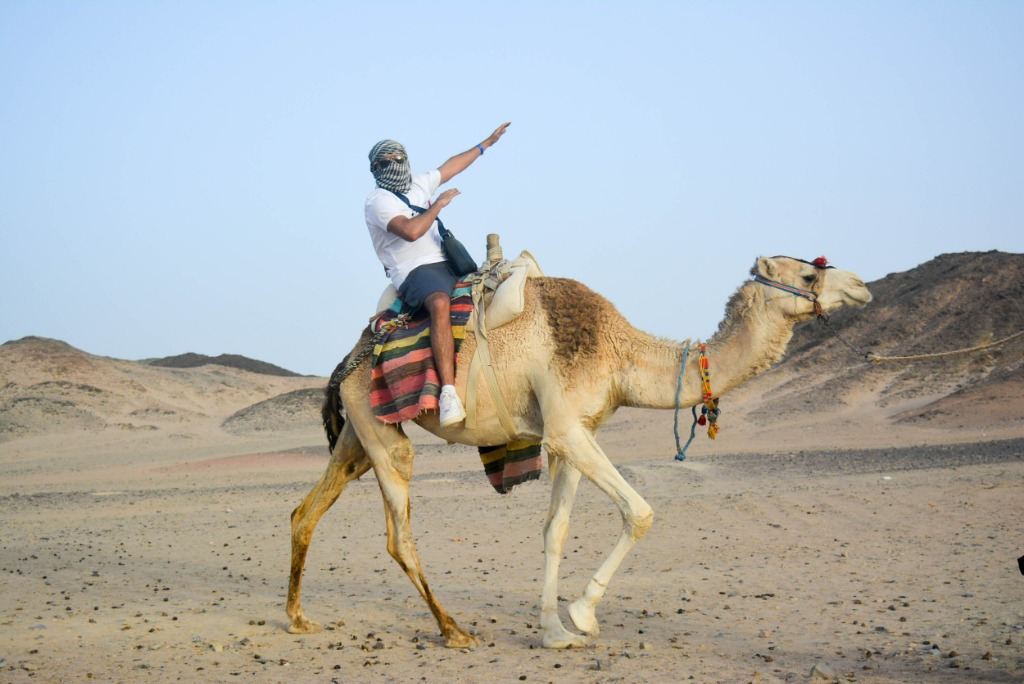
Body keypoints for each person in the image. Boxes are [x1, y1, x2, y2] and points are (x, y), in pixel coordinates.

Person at [365, 122, 510, 427]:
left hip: (446, 262)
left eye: (398, 159)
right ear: (377, 168)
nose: (394, 166)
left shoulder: (418, 183)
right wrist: (438, 205)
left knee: (499, 287)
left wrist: (487, 143)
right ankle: (448, 394)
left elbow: (451, 166)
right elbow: (410, 230)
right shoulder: (378, 201)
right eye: (386, 162)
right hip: (413, 270)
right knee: (441, 304)